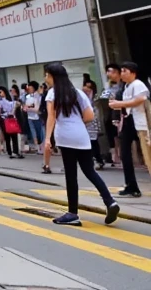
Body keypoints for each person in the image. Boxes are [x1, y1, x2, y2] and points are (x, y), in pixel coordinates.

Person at [44, 62, 118, 226]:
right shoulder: (77, 92)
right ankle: (110, 201)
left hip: (65, 137)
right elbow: (90, 116)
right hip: (82, 136)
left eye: (47, 75)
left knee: (71, 175)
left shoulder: (52, 94)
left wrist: (48, 139)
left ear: (53, 76)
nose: (45, 78)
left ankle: (73, 213)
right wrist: (76, 124)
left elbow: (52, 116)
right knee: (90, 171)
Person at [109, 61, 151, 197]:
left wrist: (119, 104)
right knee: (125, 154)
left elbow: (140, 99)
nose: (122, 73)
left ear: (133, 72)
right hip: (128, 121)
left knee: (148, 154)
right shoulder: (125, 86)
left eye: (125, 71)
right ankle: (131, 185)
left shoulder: (138, 84)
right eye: (121, 71)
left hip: (140, 122)